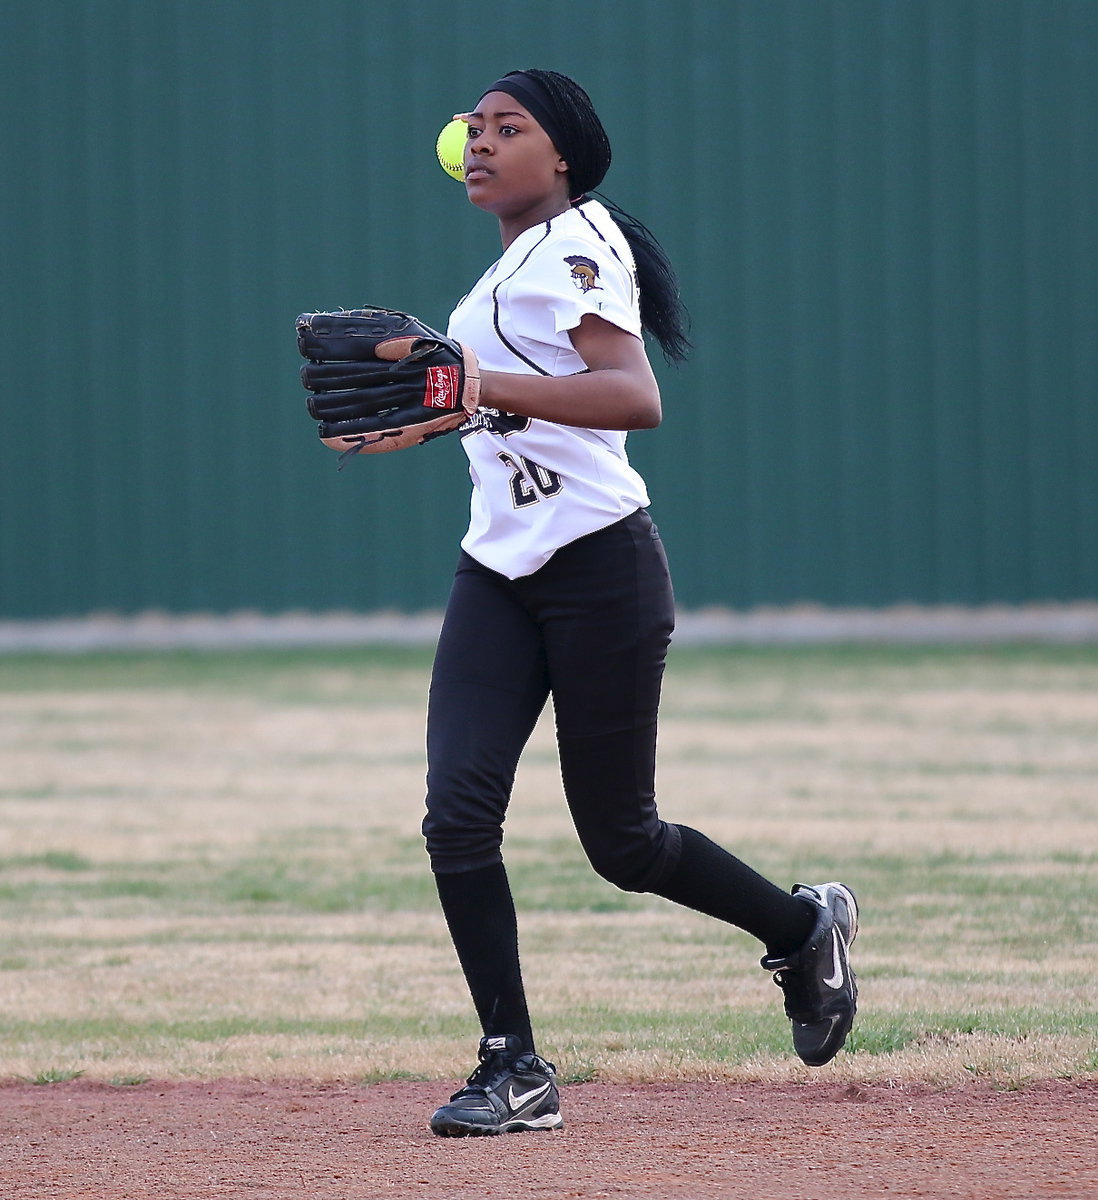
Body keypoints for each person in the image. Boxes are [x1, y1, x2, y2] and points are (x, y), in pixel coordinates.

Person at [422, 69, 859, 1138]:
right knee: (456, 815)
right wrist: (426, 412)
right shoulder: (506, 266)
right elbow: (509, 414)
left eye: (508, 127)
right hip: (498, 568)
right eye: (474, 128)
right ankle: (513, 1064)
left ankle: (801, 931)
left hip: (598, 569)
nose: (480, 142)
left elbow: (632, 395)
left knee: (622, 844)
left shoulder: (580, 242)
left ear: (562, 155)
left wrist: (476, 387)